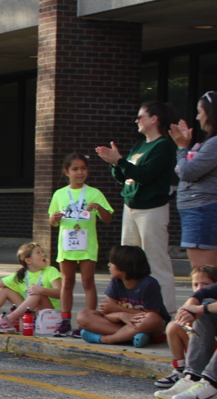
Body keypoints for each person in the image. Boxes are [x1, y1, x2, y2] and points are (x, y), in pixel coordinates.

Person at [95, 101, 178, 311]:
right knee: (127, 261)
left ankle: (165, 310)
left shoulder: (164, 145)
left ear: (154, 119)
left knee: (155, 259)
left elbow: (145, 175)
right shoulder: (139, 145)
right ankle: (130, 306)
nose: (136, 120)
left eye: (141, 117)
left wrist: (121, 161)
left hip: (152, 209)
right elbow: (125, 177)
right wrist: (115, 164)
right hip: (130, 207)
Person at [48, 153, 114, 338]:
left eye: (83, 168)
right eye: (75, 169)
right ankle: (65, 321)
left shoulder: (94, 193)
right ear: (66, 172)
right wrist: (54, 218)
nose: (79, 172)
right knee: (67, 282)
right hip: (67, 245)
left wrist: (98, 208)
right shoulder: (60, 194)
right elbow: (52, 221)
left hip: (87, 245)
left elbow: (108, 218)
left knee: (87, 282)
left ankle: (90, 321)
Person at [77, 245, 169, 347]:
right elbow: (108, 314)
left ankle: (106, 339)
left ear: (123, 266)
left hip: (147, 324)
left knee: (152, 318)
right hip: (125, 324)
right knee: (83, 315)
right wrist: (121, 315)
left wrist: (119, 309)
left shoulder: (149, 284)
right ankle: (132, 337)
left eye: (112, 262)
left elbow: (151, 314)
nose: (109, 265)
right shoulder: (116, 281)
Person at [0, 242, 62, 333]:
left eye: (42, 252)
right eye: (39, 252)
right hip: (29, 315)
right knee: (6, 289)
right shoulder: (22, 275)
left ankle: (8, 320)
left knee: (37, 294)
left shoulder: (51, 271)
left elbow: (60, 293)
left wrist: (42, 290)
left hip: (48, 315)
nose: (43, 254)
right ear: (28, 260)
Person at [170, 91, 217, 269]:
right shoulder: (209, 143)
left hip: (201, 212)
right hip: (198, 211)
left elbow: (186, 171)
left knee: (202, 273)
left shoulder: (214, 143)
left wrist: (182, 147)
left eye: (199, 112)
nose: (197, 117)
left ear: (210, 113)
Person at [154, 264, 217, 389]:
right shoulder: (200, 297)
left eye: (205, 283)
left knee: (204, 308)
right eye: (195, 284)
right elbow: (199, 296)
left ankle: (207, 379)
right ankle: (181, 370)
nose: (199, 288)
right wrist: (187, 311)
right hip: (199, 346)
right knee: (173, 326)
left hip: (211, 346)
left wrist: (201, 310)